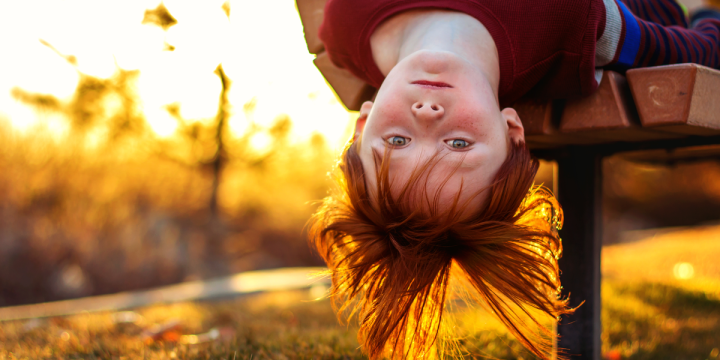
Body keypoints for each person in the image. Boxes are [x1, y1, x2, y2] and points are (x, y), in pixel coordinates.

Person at [307, 0, 720, 359]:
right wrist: (702, 12)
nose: (428, 114)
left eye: (397, 141)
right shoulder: (570, 23)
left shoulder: (345, 22)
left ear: (361, 127)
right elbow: (705, 50)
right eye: (457, 144)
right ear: (511, 134)